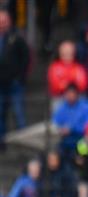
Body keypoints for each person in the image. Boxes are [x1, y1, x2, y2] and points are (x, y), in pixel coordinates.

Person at [0, 9, 30, 143]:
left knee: (19, 114)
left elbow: (26, 57)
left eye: (4, 21)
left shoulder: (16, 37)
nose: (2, 24)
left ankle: (23, 142)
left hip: (15, 83)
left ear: (9, 22)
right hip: (0, 84)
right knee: (0, 115)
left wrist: (21, 77)